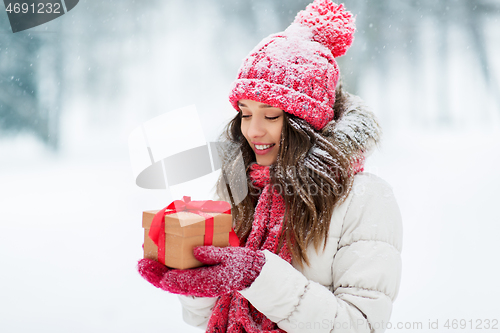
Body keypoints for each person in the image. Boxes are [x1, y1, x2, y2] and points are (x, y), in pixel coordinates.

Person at [138, 1, 403, 332]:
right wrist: (190, 275)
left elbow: (360, 325)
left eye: (271, 116)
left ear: (306, 123)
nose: (253, 131)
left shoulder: (365, 199)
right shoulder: (239, 184)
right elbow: (204, 319)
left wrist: (259, 276)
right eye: (246, 114)